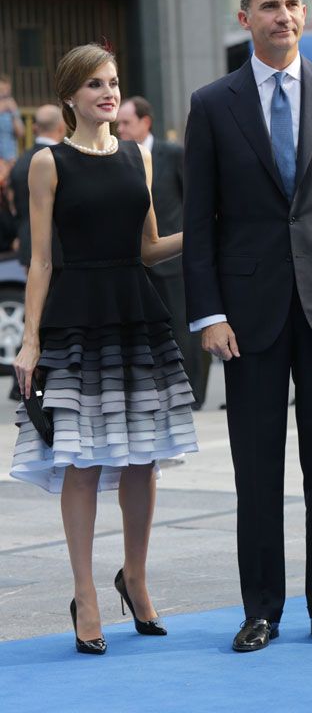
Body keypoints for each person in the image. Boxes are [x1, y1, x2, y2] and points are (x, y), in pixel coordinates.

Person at [183, 0, 312, 652]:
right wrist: (208, 313)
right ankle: (260, 609)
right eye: (269, 6)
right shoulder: (213, 104)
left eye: (293, 4)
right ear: (245, 19)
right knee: (257, 468)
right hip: (247, 316)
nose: (284, 17)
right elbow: (201, 223)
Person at [11, 44, 197, 654]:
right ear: (70, 96)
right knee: (84, 461)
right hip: (78, 316)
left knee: (142, 458)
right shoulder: (48, 162)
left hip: (135, 312)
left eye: (113, 82)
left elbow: (146, 248)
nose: (108, 92)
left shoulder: (138, 157)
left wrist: (203, 233)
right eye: (94, 84)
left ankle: (135, 579)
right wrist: (30, 340)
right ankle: (86, 593)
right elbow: (40, 260)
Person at [117, 96, 210, 409]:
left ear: (146, 122)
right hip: (137, 263)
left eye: (126, 123)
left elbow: (195, 200)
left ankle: (193, 395)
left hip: (174, 259)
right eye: (118, 124)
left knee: (185, 330)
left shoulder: (171, 154)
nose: (121, 129)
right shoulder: (121, 157)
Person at [8, 104, 66, 269]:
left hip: (30, 246)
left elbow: (16, 207)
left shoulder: (21, 162)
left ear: (34, 128)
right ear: (61, 128)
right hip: (61, 251)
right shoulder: (63, 160)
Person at [0, 74, 25, 163]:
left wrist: (14, 113)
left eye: (7, 90)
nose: (5, 93)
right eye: (2, 90)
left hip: (10, 157)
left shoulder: (11, 108)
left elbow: (20, 133)